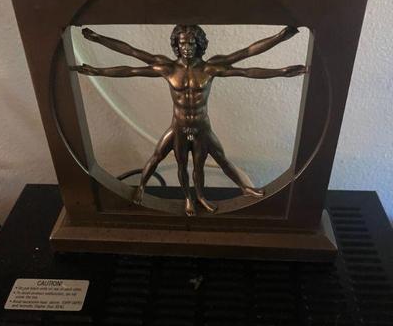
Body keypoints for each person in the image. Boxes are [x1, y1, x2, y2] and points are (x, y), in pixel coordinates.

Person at [72, 24, 306, 216]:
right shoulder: (168, 67)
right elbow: (132, 60)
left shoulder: (210, 67)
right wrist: (98, 58)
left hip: (202, 127)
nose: (186, 48)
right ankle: (170, 195)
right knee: (172, 161)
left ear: (199, 44)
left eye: (191, 43)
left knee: (215, 160)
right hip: (179, 127)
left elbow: (247, 59)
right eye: (182, 43)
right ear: (176, 44)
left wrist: (281, 55)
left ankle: (224, 192)